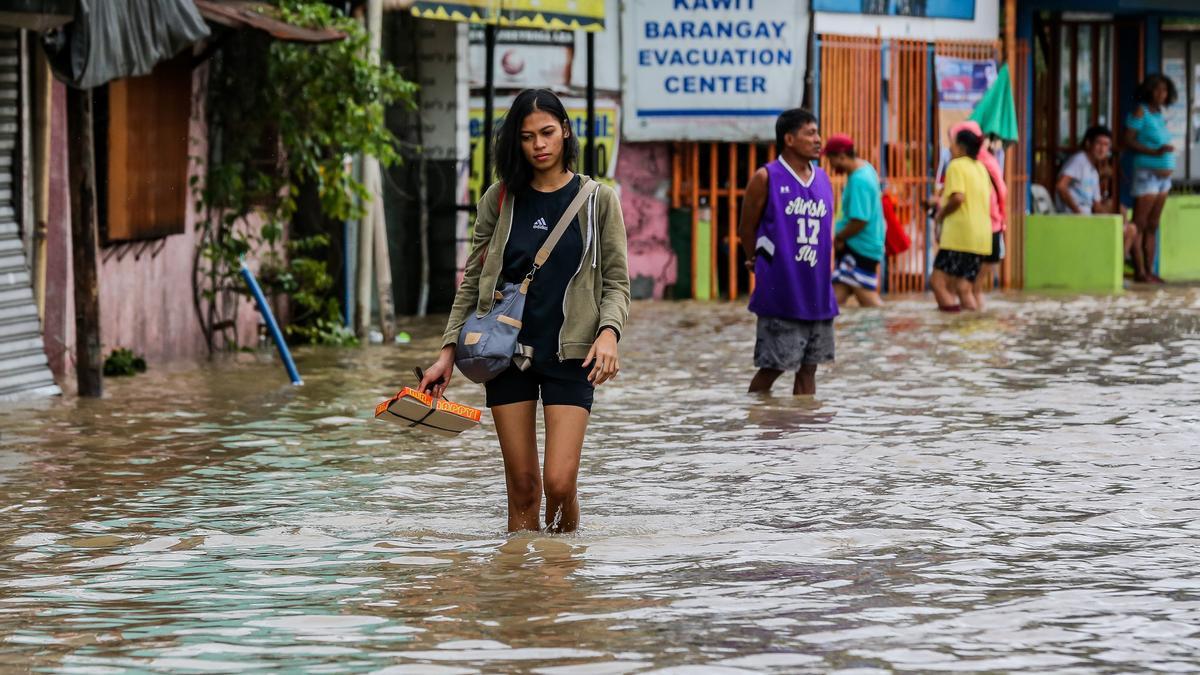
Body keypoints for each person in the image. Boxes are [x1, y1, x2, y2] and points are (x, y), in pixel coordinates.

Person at [418, 89, 630, 534]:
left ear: (565, 132)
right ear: (515, 141)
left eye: (547, 132)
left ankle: (563, 568)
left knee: (558, 481)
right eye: (527, 136)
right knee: (523, 487)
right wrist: (447, 351)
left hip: (571, 356)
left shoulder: (598, 200)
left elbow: (616, 281)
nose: (539, 144)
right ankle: (522, 592)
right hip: (505, 355)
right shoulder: (500, 199)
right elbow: (472, 282)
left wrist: (609, 332)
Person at [737, 109, 838, 395]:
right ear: (789, 139)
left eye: (818, 132)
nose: (818, 140)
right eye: (810, 133)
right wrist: (755, 260)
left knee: (810, 369)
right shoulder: (766, 177)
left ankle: (804, 432)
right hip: (781, 293)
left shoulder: (823, 179)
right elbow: (746, 228)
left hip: (818, 293)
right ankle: (757, 422)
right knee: (773, 367)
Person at [1123, 74, 1178, 283]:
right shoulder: (1141, 111)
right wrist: (1155, 153)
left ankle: (1150, 269)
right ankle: (1139, 270)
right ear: (1148, 91)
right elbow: (1128, 139)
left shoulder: (1158, 114)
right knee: (1140, 222)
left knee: (1153, 224)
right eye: (1156, 89)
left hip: (1164, 178)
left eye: (1164, 90)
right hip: (1147, 174)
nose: (1160, 94)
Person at [1057, 125, 1139, 262]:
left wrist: (1115, 218)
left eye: (1106, 145)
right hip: (1072, 217)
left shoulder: (1093, 171)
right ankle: (1115, 266)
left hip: (1089, 217)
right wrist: (1077, 211)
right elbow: (1061, 186)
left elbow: (1097, 206)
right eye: (1099, 143)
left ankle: (1117, 266)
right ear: (1088, 143)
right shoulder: (1079, 160)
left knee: (1129, 227)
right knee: (1128, 229)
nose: (1102, 149)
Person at [931, 128, 992, 312]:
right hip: (981, 238)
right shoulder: (981, 168)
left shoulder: (956, 166)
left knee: (937, 282)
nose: (950, 147)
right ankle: (970, 326)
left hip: (960, 237)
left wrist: (940, 216)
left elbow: (958, 197)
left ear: (961, 147)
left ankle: (951, 327)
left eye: (953, 143)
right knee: (964, 288)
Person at [824, 134, 885, 308]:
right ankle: (823, 330)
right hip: (859, 245)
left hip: (859, 246)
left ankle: (884, 329)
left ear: (842, 156)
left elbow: (860, 220)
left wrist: (840, 237)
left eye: (831, 159)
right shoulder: (865, 169)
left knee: (867, 298)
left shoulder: (859, 180)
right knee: (835, 297)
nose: (831, 165)